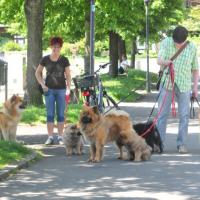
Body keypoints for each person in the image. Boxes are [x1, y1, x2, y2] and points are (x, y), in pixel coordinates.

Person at [156, 26, 199, 154]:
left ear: (185, 40)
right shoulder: (166, 42)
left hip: (185, 84)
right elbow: (159, 60)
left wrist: (195, 87)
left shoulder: (192, 47)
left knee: (184, 115)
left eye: (179, 43)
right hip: (167, 82)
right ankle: (160, 144)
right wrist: (166, 61)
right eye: (175, 42)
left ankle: (182, 144)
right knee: (162, 115)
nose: (177, 44)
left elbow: (195, 70)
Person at [35, 36, 71, 145]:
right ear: (51, 47)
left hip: (61, 90)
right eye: (54, 47)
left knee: (60, 114)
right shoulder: (45, 59)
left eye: (58, 47)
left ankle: (60, 137)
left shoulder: (64, 60)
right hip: (49, 90)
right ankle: (50, 137)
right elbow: (37, 73)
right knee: (50, 114)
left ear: (61, 47)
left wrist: (68, 88)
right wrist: (42, 84)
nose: (56, 49)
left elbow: (68, 75)